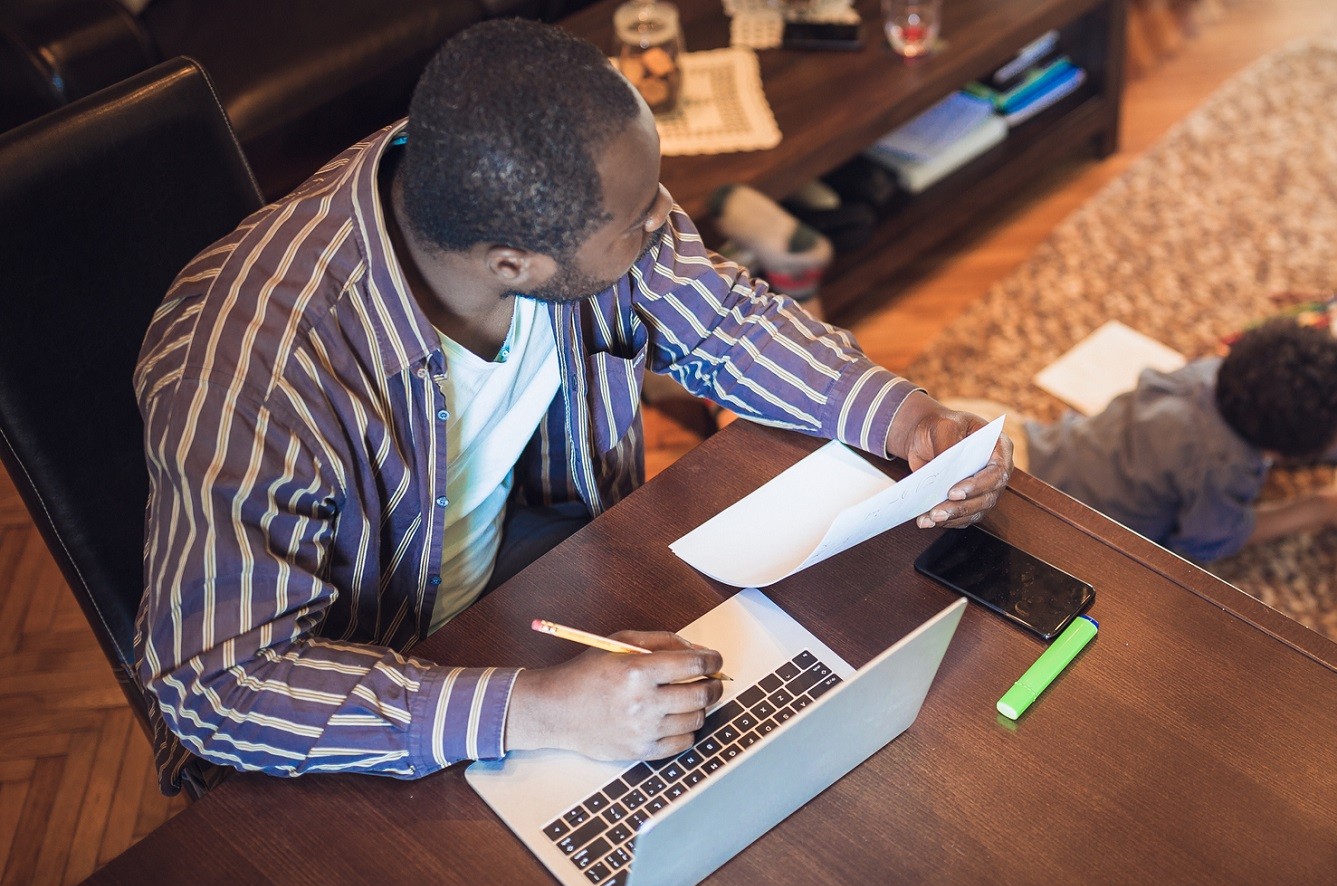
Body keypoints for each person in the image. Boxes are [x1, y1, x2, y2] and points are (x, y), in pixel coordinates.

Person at [132, 20, 1010, 794]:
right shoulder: (254, 364)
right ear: (513, 264)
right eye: (634, 223)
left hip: (543, 581)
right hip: (374, 701)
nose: (663, 222)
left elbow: (727, 323)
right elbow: (216, 685)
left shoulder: (523, 185)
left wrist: (904, 418)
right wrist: (542, 707)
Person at [996, 318, 1337, 563]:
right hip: (1038, 509)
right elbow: (1210, 541)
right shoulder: (1223, 467)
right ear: (1281, 452)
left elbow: (1283, 422)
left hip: (1027, 440)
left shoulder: (1213, 374)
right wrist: (1324, 506)